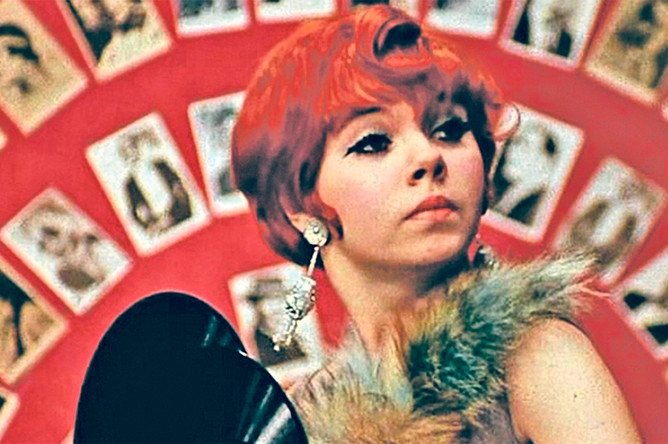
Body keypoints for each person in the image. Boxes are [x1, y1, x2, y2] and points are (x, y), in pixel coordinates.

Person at [231, 5, 641, 442]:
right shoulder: (303, 419)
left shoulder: (537, 356)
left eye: (449, 130)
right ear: (297, 203)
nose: (429, 156)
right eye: (374, 142)